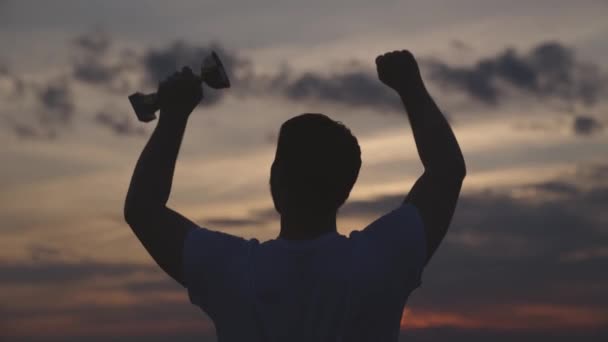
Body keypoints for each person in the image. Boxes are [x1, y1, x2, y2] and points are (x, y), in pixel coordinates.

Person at [124, 50, 466, 341]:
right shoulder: (380, 260)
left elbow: (143, 208)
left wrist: (173, 116)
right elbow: (446, 171)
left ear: (275, 181)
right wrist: (410, 87)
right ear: (346, 189)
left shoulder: (231, 271)